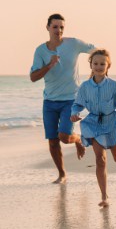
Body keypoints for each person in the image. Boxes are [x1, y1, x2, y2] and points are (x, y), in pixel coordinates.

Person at [30, 13, 96, 184]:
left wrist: (98, 69)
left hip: (71, 99)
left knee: (64, 137)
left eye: (61, 27)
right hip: (50, 101)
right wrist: (49, 65)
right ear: (47, 28)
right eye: (55, 27)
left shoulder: (73, 43)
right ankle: (62, 174)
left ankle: (78, 139)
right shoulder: (40, 51)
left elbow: (96, 51)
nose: (58, 30)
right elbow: (33, 77)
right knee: (52, 141)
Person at [70, 49, 116, 208]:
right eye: (95, 63)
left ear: (108, 66)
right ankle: (104, 196)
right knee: (100, 159)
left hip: (111, 122)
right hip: (93, 123)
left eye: (102, 64)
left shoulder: (114, 86)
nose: (99, 66)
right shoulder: (85, 87)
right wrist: (74, 113)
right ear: (91, 65)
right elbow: (78, 103)